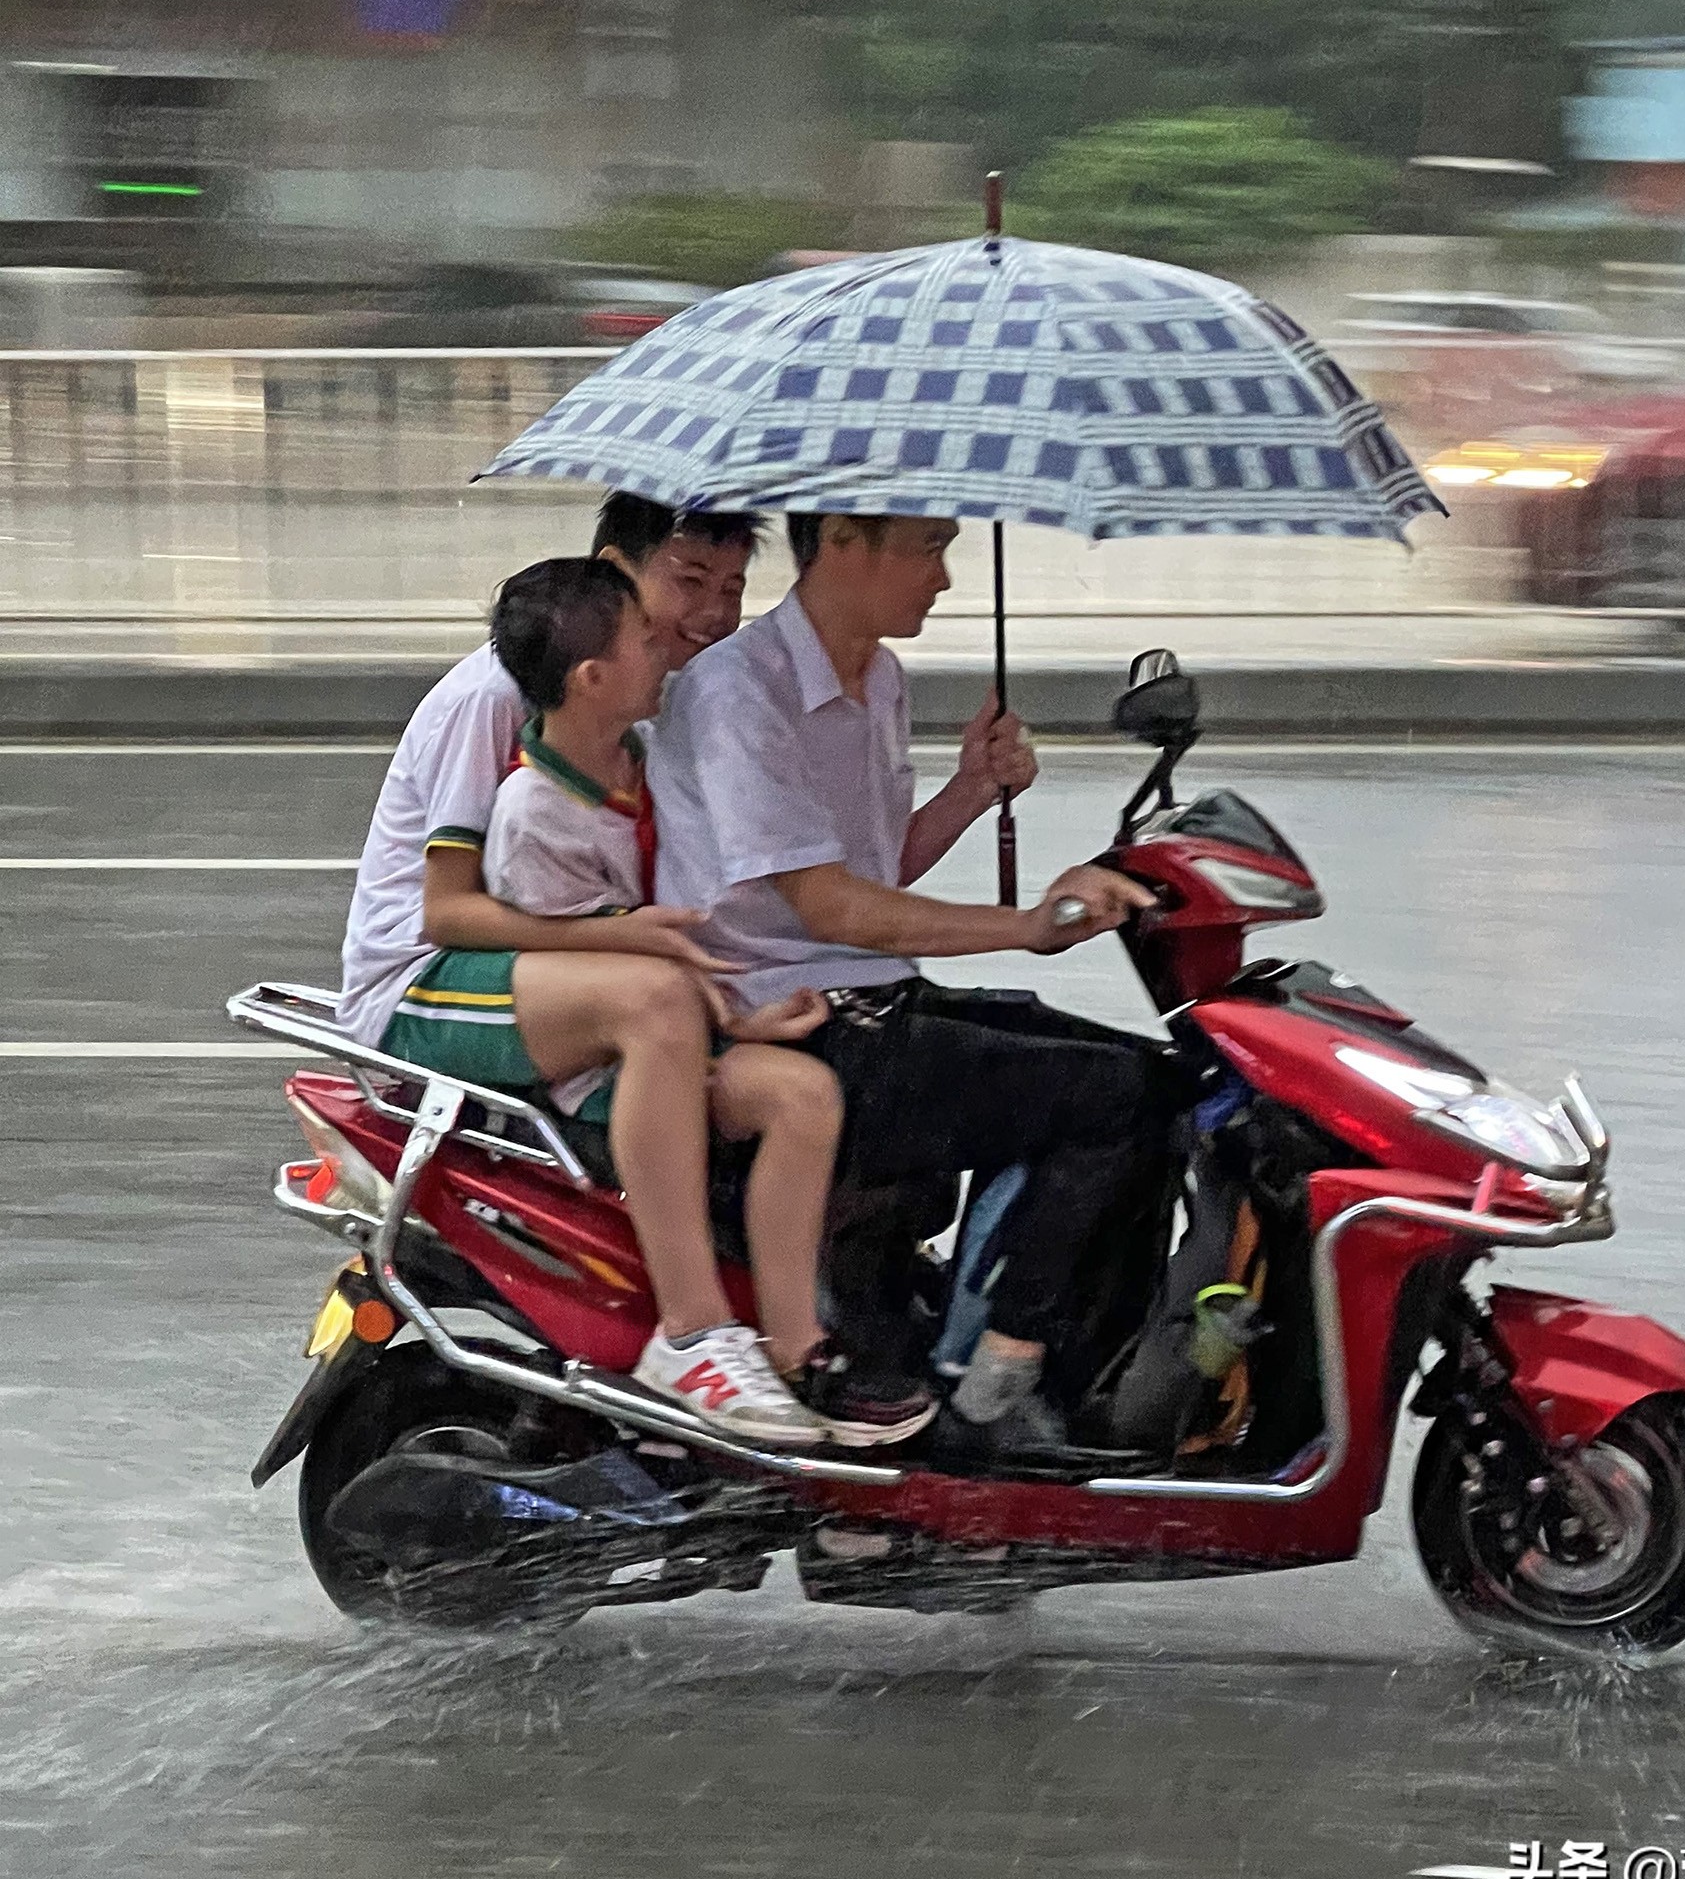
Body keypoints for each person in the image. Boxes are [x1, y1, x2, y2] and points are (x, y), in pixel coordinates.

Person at [648, 510, 1168, 1467]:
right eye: (929, 550)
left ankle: (1047, 1356)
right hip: (798, 1022)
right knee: (1111, 1099)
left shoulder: (879, 678)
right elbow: (829, 908)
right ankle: (998, 1375)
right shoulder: (739, 691)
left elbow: (874, 873)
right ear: (844, 539)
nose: (944, 579)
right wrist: (1026, 929)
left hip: (877, 996)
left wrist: (971, 787)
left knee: (1165, 1079)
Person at [336, 495, 833, 1439]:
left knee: (797, 1088)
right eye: (685, 586)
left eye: (732, 590)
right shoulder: (500, 698)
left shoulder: (642, 713)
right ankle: (693, 1333)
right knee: (647, 999)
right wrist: (628, 940)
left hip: (545, 978)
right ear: (612, 577)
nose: (709, 617)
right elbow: (450, 909)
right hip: (426, 981)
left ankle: (800, 1346)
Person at [473, 557, 931, 1448]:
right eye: (647, 639)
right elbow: (615, 977)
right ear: (592, 679)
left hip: (684, 1027)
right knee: (806, 1090)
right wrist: (726, 1016)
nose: (674, 646)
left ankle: (797, 1344)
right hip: (612, 1065)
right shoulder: (536, 813)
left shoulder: (633, 768)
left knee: (808, 1094)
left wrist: (739, 1018)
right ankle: (729, 1339)